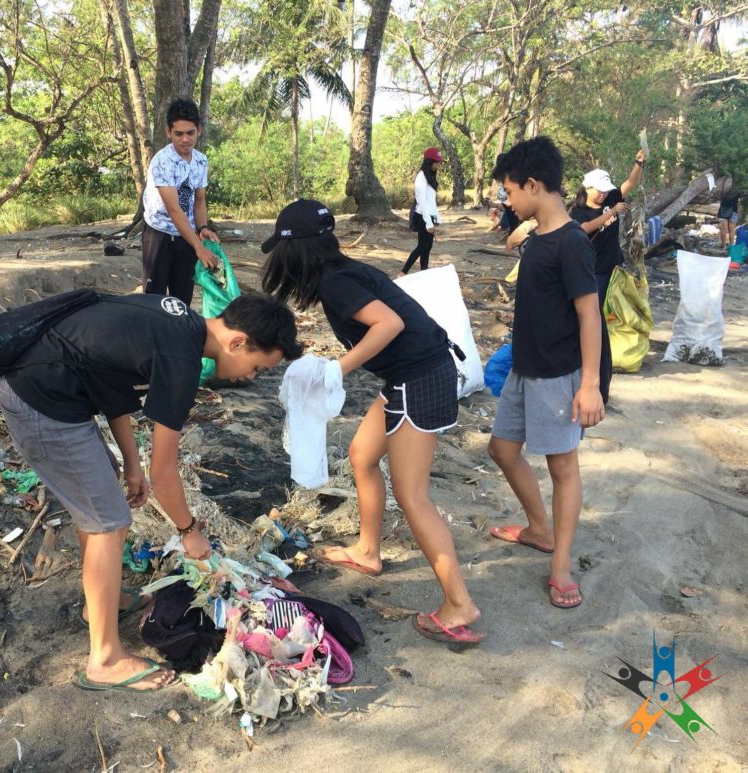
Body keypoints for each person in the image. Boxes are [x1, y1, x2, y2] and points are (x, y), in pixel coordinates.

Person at [0, 292, 302, 690]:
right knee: (109, 523)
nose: (250, 376)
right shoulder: (182, 362)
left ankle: (98, 606)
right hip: (41, 400)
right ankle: (103, 660)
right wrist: (189, 531)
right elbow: (165, 472)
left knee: (102, 509)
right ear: (238, 342)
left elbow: (108, 380)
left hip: (57, 394)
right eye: (257, 367)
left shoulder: (178, 323)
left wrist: (130, 462)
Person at [261, 199, 485, 647]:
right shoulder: (341, 275)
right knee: (362, 457)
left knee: (412, 495)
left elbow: (389, 323)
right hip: (412, 375)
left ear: (296, 251)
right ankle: (367, 551)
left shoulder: (338, 283)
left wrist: (337, 369)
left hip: (418, 381)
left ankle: (459, 604)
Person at [486, 137, 605, 610]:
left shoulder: (572, 242)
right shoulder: (539, 234)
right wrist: (521, 230)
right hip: (524, 366)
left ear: (534, 185)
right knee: (501, 448)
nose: (507, 202)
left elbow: (589, 316)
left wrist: (590, 384)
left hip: (557, 375)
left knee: (562, 466)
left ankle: (561, 564)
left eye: (511, 192)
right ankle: (539, 528)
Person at [570, 150, 644, 404]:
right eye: (598, 190)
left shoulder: (610, 197)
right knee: (592, 319)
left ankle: (599, 375)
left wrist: (638, 163)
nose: (603, 194)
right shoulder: (579, 211)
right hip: (591, 271)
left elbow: (631, 183)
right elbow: (581, 229)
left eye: (606, 190)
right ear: (587, 187)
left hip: (610, 269)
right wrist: (610, 213)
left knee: (602, 319)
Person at [141, 98, 219, 303]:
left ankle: (179, 334)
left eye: (190, 133)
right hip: (159, 233)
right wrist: (199, 248)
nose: (185, 139)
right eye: (179, 134)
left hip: (187, 235)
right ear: (168, 132)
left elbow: (199, 200)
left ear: (199, 130)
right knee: (155, 300)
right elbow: (174, 210)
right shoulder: (162, 162)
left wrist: (202, 227)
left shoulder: (201, 160)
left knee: (182, 297)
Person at [402, 147, 442, 274]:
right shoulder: (421, 178)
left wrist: (436, 217)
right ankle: (403, 272)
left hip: (429, 216)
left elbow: (431, 200)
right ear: (429, 162)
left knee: (427, 247)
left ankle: (424, 272)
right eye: (436, 162)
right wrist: (428, 223)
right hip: (421, 216)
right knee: (422, 247)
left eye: (439, 162)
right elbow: (423, 202)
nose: (438, 164)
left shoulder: (430, 177)